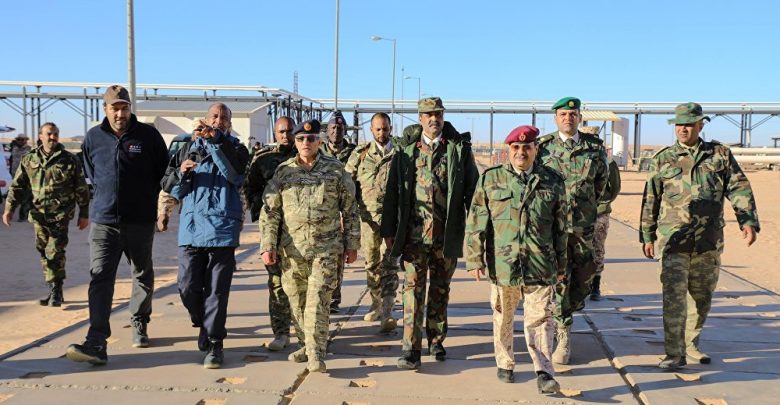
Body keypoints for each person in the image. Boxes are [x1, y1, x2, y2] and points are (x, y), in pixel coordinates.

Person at [640, 102, 759, 370]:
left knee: (701, 296)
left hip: (708, 239)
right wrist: (647, 235)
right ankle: (674, 353)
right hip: (673, 240)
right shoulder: (663, 159)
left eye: (689, 124)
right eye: (679, 125)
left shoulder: (720, 155)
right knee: (673, 297)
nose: (683, 129)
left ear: (700, 125)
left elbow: (739, 188)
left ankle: (691, 342)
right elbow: (650, 199)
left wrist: (748, 220)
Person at [66, 85, 168, 365]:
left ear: (130, 108)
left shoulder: (148, 136)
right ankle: (96, 341)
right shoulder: (93, 137)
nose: (120, 113)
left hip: (140, 221)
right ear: (105, 109)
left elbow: (163, 174)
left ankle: (139, 320)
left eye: (125, 107)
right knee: (100, 278)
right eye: (115, 108)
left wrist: (158, 209)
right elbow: (92, 173)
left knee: (142, 273)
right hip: (104, 222)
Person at [381, 97, 480, 370]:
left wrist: (476, 230)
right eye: (428, 115)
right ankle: (410, 349)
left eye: (437, 114)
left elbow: (473, 192)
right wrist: (388, 229)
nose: (433, 118)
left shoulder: (457, 150)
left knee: (440, 289)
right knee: (412, 290)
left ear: (443, 116)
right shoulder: (406, 151)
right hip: (414, 236)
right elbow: (392, 192)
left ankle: (436, 340)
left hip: (446, 235)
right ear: (420, 118)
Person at [465, 125, 565, 393]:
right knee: (503, 316)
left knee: (541, 320)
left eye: (527, 147)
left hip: (541, 264)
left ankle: (544, 372)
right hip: (503, 264)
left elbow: (561, 228)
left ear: (536, 149)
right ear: (508, 150)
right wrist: (474, 258)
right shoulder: (491, 179)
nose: (521, 152)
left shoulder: (552, 180)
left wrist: (562, 265)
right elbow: (476, 221)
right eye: (516, 147)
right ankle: (505, 362)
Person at [260, 119, 360, 373]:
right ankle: (305, 345)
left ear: (319, 141)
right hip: (292, 251)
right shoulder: (284, 172)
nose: (306, 142)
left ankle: (316, 353)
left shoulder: (335, 170)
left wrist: (352, 244)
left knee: (318, 301)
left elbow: (350, 209)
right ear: (295, 142)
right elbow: (271, 212)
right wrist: (267, 245)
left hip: (326, 249)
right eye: (301, 139)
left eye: (311, 138)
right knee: (297, 301)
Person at [162, 103, 250, 369]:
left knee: (216, 292)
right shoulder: (187, 148)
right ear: (205, 118)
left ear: (229, 123)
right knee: (187, 286)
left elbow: (234, 175)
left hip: (222, 229)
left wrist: (214, 142)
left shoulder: (237, 149)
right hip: (191, 228)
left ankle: (214, 343)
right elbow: (169, 186)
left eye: (224, 118)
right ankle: (202, 321)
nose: (218, 120)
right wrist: (182, 173)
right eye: (214, 116)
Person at [536, 97, 609, 365]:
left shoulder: (594, 149)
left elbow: (601, 185)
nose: (568, 118)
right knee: (557, 280)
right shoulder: (543, 148)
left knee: (582, 279)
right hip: (552, 229)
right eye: (563, 114)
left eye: (573, 114)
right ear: (556, 118)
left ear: (579, 118)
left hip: (581, 228)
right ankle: (562, 331)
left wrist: (584, 209)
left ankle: (566, 314)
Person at [3, 123, 90, 307]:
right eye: (49, 134)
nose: (53, 137)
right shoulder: (29, 159)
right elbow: (18, 186)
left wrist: (84, 213)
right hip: (38, 214)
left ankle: (56, 290)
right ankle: (53, 288)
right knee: (43, 250)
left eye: (56, 134)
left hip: (61, 214)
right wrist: (9, 208)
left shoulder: (69, 159)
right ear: (40, 136)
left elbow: (81, 187)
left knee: (55, 250)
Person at [244, 116, 297, 351]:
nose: (286, 135)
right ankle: (281, 332)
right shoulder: (263, 159)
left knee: (302, 282)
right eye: (282, 131)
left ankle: (306, 332)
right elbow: (250, 187)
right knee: (277, 283)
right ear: (275, 133)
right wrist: (263, 213)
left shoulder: (307, 154)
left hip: (301, 231)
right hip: (274, 230)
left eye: (290, 131)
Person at [344, 112, 399, 333]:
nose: (382, 133)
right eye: (378, 129)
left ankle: (388, 311)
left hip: (392, 220)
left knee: (390, 264)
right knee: (372, 264)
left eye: (385, 129)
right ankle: (376, 302)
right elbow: (346, 184)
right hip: (367, 221)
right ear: (371, 130)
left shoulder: (400, 153)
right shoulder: (361, 154)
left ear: (391, 128)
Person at [578, 126, 622, 301]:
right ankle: (579, 286)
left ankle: (595, 286)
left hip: (599, 213)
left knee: (597, 249)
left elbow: (615, 188)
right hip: (578, 214)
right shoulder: (576, 159)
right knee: (577, 250)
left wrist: (602, 203)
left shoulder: (608, 162)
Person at [320, 110, 357, 313]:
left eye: (340, 128)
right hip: (323, 210)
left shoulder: (354, 152)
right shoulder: (318, 151)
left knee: (339, 256)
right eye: (333, 128)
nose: (336, 131)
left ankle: (334, 298)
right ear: (327, 130)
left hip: (345, 209)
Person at [8, 133, 32, 221]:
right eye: (19, 139)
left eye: (22, 139)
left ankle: (23, 216)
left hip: (25, 177)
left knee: (25, 197)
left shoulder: (29, 150)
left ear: (26, 140)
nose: (20, 141)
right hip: (14, 176)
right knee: (14, 196)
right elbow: (11, 160)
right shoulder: (14, 149)